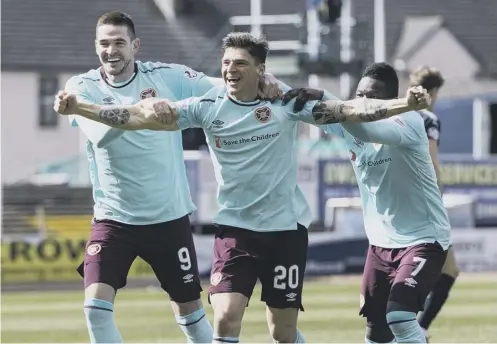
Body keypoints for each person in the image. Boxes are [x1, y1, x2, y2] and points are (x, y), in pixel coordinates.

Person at [54, 33, 430, 344]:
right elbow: (134, 117)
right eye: (227, 63)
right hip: (235, 231)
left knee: (281, 332)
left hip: (285, 231)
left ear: (260, 70)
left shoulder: (288, 103)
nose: (230, 70)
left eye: (240, 64)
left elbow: (350, 112)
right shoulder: (205, 106)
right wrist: (80, 108)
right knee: (225, 319)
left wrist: (403, 105)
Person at [59, 12, 280, 344]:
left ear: (135, 45)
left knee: (190, 315)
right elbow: (102, 134)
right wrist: (146, 110)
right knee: (95, 308)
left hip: (167, 217)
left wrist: (266, 80)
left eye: (119, 42)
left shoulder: (166, 76)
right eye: (104, 43)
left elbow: (220, 85)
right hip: (113, 219)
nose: (111, 50)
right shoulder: (82, 87)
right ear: (96, 47)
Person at [285, 62, 450, 343]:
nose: (361, 101)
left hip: (424, 238)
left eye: (370, 96)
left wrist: (327, 99)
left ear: (388, 102)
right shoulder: (351, 120)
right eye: (358, 94)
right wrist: (278, 90)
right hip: (380, 245)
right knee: (376, 333)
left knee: (399, 316)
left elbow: (362, 126)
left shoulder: (407, 122)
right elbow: (311, 111)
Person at [409, 66, 460, 341]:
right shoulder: (428, 119)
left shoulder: (399, 114)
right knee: (448, 269)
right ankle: (416, 330)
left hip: (400, 204)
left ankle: (412, 330)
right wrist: (437, 199)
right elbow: (431, 162)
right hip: (426, 205)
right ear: (434, 91)